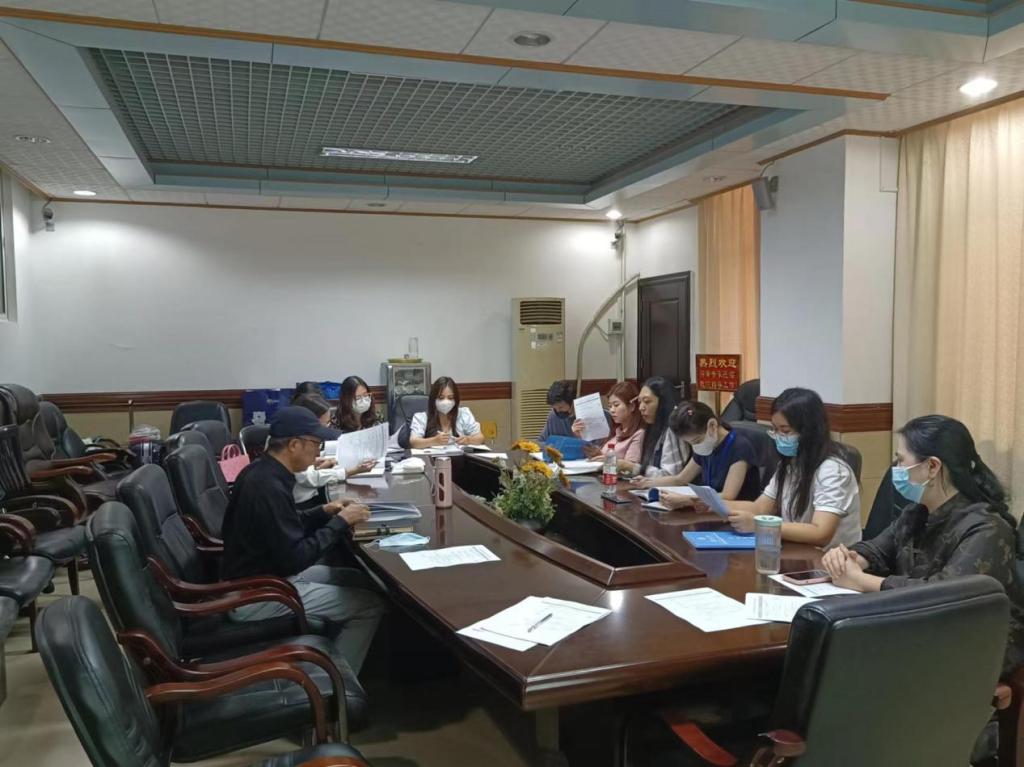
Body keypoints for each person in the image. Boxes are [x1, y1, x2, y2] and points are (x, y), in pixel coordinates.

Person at [823, 415, 1023, 672]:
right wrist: (849, 559)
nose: (896, 468)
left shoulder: (987, 528)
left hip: (974, 647)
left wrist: (861, 581)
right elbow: (877, 548)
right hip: (919, 628)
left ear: (932, 467)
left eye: (901, 460)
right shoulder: (917, 512)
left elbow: (943, 595)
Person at [221, 406, 386, 674]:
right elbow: (296, 558)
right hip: (259, 594)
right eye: (316, 444)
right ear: (294, 445)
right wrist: (341, 523)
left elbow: (283, 525)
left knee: (358, 578)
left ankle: (336, 651)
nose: (318, 452)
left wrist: (324, 511)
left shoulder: (263, 471)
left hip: (268, 577)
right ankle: (336, 684)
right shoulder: (268, 487)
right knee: (369, 606)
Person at [725, 387, 860, 547]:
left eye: (785, 431)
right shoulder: (790, 464)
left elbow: (820, 533)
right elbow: (760, 507)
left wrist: (760, 525)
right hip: (798, 551)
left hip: (831, 558)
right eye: (775, 429)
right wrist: (711, 504)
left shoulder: (833, 471)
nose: (778, 437)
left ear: (809, 431)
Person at [655, 401, 762, 508]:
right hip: (709, 509)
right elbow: (681, 479)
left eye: (697, 441)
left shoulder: (740, 446)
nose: (695, 446)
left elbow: (728, 496)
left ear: (712, 425)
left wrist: (686, 500)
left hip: (735, 512)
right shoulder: (706, 446)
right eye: (690, 443)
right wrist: (648, 483)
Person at [292, 393, 374, 504]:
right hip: (304, 503)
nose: (328, 426)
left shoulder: (301, 436)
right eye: (326, 423)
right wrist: (353, 471)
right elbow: (309, 478)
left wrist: (315, 463)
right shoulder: (297, 441)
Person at [620, 377, 688, 485]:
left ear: (663, 402)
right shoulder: (654, 426)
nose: (641, 407)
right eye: (640, 402)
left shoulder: (673, 428)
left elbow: (671, 477)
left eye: (647, 401)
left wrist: (632, 467)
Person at [578, 381, 644, 464]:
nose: (612, 410)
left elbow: (631, 467)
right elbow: (607, 457)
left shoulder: (638, 434)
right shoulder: (616, 431)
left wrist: (608, 460)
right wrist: (598, 454)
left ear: (632, 406)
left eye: (616, 405)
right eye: (610, 406)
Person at [409, 377, 485, 448]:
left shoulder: (464, 414)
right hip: (432, 457)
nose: (446, 402)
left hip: (459, 456)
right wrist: (434, 441)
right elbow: (414, 442)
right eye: (441, 398)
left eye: (450, 398)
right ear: (433, 399)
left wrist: (468, 440)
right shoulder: (421, 417)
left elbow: (480, 438)